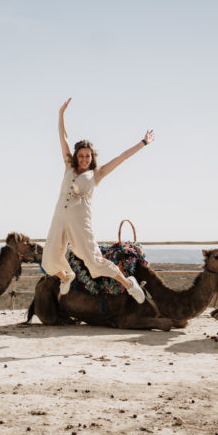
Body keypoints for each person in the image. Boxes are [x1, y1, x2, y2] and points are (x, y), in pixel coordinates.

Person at [41, 97, 154, 302]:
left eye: (88, 156)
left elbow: (122, 157)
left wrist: (143, 142)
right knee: (48, 258)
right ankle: (66, 276)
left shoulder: (97, 174)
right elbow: (63, 138)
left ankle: (129, 284)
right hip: (59, 217)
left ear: (92, 157)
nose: (84, 159)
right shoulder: (69, 166)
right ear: (76, 156)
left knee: (94, 261)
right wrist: (61, 114)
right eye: (81, 155)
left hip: (80, 222)